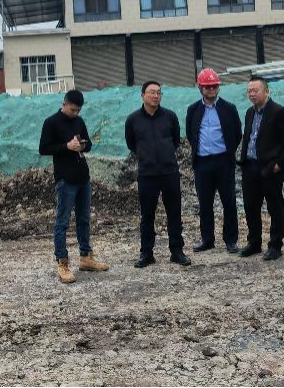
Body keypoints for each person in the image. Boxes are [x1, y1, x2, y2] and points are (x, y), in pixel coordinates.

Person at [39, 90, 109, 284]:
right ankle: (62, 262)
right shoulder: (51, 122)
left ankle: (86, 257)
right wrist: (66, 146)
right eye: (72, 109)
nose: (75, 113)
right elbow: (43, 148)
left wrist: (82, 146)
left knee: (84, 219)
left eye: (78, 110)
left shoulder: (79, 121)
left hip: (83, 177)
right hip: (65, 178)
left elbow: (89, 144)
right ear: (64, 104)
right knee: (62, 222)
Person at [125, 81, 191, 268]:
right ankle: (146, 253)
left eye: (158, 93)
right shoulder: (133, 119)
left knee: (174, 213)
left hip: (169, 172)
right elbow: (131, 144)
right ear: (142, 95)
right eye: (151, 92)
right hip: (147, 174)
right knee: (147, 215)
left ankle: (177, 251)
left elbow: (175, 141)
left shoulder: (170, 116)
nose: (155, 96)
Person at [237, 77, 284, 260]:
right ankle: (254, 243)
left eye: (256, 90)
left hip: (270, 167)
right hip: (250, 165)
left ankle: (275, 245)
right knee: (250, 206)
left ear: (266, 91)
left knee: (274, 206)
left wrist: (279, 163)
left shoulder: (279, 112)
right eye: (249, 91)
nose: (252, 94)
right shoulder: (249, 112)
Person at [185, 69, 243, 254]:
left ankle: (231, 240)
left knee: (229, 201)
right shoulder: (193, 110)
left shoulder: (229, 108)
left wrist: (228, 152)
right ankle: (207, 239)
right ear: (200, 88)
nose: (211, 89)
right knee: (205, 203)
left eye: (214, 86)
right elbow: (190, 133)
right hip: (202, 163)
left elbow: (237, 133)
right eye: (207, 87)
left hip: (223, 162)